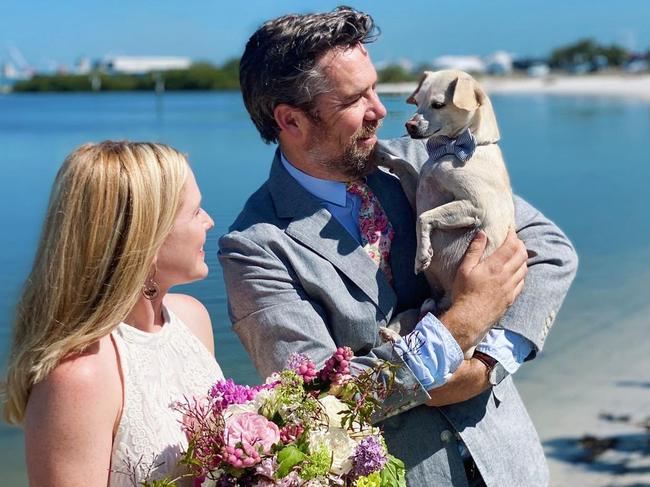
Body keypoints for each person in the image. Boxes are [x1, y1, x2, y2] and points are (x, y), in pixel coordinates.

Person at [219, 7, 578, 487]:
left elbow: (550, 248)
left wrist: (488, 361)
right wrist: (464, 320)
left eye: (374, 87)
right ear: (291, 120)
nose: (381, 109)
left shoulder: (423, 157)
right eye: (355, 98)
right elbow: (315, 401)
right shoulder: (254, 249)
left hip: (511, 466)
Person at [3, 141, 224, 486]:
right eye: (195, 211)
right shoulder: (80, 376)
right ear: (150, 236)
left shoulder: (192, 320)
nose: (209, 221)